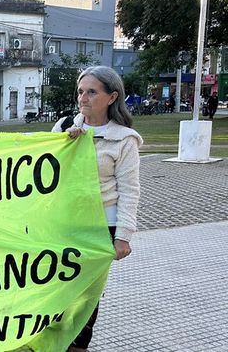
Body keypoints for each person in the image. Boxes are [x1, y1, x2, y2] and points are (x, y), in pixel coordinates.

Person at [52, 66, 143, 352]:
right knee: (54, 289)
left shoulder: (125, 140)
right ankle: (49, 342)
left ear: (112, 97)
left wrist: (123, 236)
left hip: (101, 227)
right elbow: (43, 170)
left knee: (86, 295)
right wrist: (62, 144)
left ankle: (77, 346)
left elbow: (129, 189)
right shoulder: (64, 126)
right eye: (81, 91)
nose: (83, 98)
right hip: (63, 224)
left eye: (92, 92)